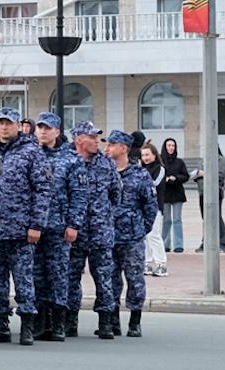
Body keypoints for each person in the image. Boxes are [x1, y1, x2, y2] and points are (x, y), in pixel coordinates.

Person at [0, 107, 43, 344]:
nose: (4, 127)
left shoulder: (31, 152)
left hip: (21, 230)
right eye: (1, 123)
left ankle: (27, 324)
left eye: (9, 123)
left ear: (18, 126)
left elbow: (42, 190)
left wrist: (36, 225)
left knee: (24, 280)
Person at [62, 121, 121, 339]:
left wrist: (104, 217)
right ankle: (70, 322)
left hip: (100, 233)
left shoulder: (106, 164)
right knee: (70, 278)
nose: (97, 141)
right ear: (79, 139)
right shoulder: (67, 161)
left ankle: (105, 323)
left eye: (97, 137)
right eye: (92, 137)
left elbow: (116, 194)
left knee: (104, 279)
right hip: (73, 233)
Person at [30, 112, 75, 339]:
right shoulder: (29, 155)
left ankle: (58, 323)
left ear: (57, 131)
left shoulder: (70, 159)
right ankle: (40, 322)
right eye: (40, 127)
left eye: (48, 128)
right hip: (33, 229)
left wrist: (73, 224)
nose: (43, 131)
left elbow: (78, 195)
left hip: (59, 227)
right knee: (36, 275)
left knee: (58, 274)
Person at [110, 130, 158, 337]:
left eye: (112, 144)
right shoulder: (106, 172)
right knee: (109, 279)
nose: (108, 148)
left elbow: (151, 205)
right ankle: (112, 321)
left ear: (124, 148)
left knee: (135, 279)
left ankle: (134, 321)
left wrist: (141, 228)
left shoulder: (139, 174)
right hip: (108, 236)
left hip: (132, 237)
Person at [140, 144, 170, 276]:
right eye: (143, 155)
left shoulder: (160, 169)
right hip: (142, 207)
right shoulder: (140, 169)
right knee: (144, 236)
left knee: (154, 235)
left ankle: (161, 264)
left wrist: (141, 184)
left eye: (147, 154)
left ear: (154, 154)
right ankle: (146, 263)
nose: (145, 158)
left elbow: (155, 183)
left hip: (155, 207)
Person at [156, 138, 189, 256]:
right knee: (166, 220)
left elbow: (186, 176)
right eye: (169, 145)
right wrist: (165, 180)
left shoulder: (179, 162)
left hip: (177, 193)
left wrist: (176, 178)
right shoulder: (160, 161)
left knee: (177, 220)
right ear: (165, 147)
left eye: (173, 146)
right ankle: (165, 244)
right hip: (164, 194)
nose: (171, 148)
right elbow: (156, 175)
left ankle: (178, 245)